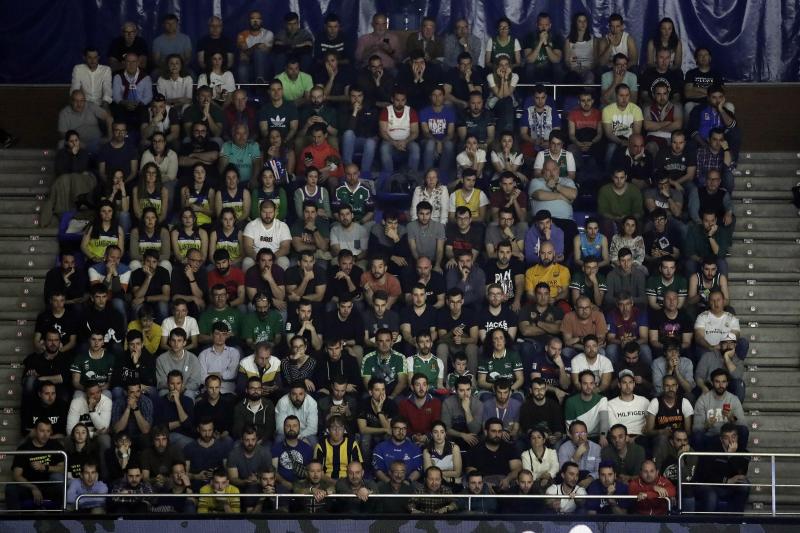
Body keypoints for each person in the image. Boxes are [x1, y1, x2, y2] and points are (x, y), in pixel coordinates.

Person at [5, 418, 65, 510]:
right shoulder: (24, 448)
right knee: (10, 489)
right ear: (35, 431)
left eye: (48, 431)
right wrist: (33, 488)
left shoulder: (55, 445)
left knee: (61, 484)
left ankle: (59, 515)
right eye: (42, 431)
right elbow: (16, 475)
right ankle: (16, 518)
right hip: (29, 486)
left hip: (48, 486)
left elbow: (63, 468)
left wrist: (44, 467)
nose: (45, 435)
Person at [695, 423, 750, 513]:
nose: (731, 441)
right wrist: (726, 481)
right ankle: (707, 521)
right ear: (721, 439)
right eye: (726, 438)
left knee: (744, 484)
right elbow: (705, 475)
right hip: (713, 486)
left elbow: (741, 473)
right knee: (711, 495)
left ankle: (736, 519)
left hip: (731, 487)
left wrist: (731, 456)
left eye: (733, 436)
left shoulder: (744, 452)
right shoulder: (711, 450)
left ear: (738, 437)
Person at [464, 418, 521, 490]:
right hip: (483, 486)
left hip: (506, 483)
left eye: (499, 431)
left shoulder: (510, 448)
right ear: (486, 432)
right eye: (493, 431)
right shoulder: (475, 450)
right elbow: (471, 472)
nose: (497, 435)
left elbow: (517, 469)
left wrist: (508, 479)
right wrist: (484, 484)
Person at [372, 416, 423, 484]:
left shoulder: (415, 449)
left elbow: (418, 470)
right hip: (385, 484)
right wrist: (390, 483)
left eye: (404, 428)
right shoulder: (380, 448)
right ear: (391, 429)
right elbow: (377, 470)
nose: (401, 431)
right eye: (397, 428)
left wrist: (408, 481)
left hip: (409, 484)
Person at [227, 425, 273, 498]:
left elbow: (270, 476)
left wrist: (258, 481)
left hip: (261, 487)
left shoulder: (265, 453)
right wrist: (245, 481)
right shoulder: (233, 454)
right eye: (247, 440)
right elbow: (233, 479)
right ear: (242, 440)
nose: (250, 443)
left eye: (253, 439)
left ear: (257, 439)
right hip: (240, 489)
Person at [111, 53, 153, 133]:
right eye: (128, 62)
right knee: (117, 108)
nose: (131, 65)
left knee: (145, 109)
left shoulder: (146, 77)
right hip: (123, 104)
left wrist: (138, 103)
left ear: (138, 63)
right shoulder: (118, 77)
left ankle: (144, 136)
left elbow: (148, 96)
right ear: (124, 63)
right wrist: (125, 103)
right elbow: (116, 96)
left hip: (139, 105)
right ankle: (121, 134)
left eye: (134, 62)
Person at [271, 416, 314, 490]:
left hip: (302, 487)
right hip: (282, 486)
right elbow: (274, 471)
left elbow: (310, 472)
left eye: (294, 426)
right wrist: (284, 482)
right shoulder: (276, 448)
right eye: (288, 426)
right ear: (284, 428)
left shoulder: (307, 448)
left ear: (299, 428)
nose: (291, 428)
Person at [564, 371, 608, 440]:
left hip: (597, 437)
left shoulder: (602, 399)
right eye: (585, 383)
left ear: (594, 384)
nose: (588, 387)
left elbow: (604, 421)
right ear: (580, 384)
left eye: (591, 383)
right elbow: (570, 427)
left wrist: (603, 436)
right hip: (578, 438)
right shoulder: (571, 401)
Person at [519, 377, 565, 443]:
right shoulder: (526, 406)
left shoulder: (554, 405)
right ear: (531, 390)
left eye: (542, 389)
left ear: (546, 389)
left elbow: (558, 428)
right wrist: (542, 436)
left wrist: (556, 437)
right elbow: (527, 429)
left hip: (551, 438)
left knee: (557, 444)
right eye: (536, 389)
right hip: (532, 438)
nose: (539, 392)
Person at [557, 420, 602, 489]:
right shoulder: (564, 448)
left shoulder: (596, 448)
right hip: (571, 480)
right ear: (571, 436)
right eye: (577, 433)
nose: (581, 436)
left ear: (587, 434)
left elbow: (599, 471)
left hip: (591, 481)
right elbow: (562, 472)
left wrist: (589, 479)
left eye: (583, 433)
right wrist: (575, 457)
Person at [522, 12, 564, 83]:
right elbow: (530, 60)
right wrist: (540, 42)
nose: (544, 28)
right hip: (535, 67)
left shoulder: (556, 37)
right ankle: (530, 90)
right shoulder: (530, 37)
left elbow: (556, 60)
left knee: (558, 67)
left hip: (550, 68)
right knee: (529, 67)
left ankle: (556, 90)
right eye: (541, 25)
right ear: (537, 25)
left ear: (550, 25)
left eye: (546, 25)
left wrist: (546, 44)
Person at [275, 382, 319, 448]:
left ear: (305, 394)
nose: (297, 398)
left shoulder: (312, 403)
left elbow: (313, 428)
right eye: (294, 394)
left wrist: (299, 437)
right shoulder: (282, 402)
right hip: (287, 432)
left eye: (301, 394)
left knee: (314, 442)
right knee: (279, 439)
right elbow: (280, 427)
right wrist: (292, 437)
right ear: (289, 394)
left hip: (305, 433)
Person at [232, 378, 276, 442]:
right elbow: (238, 428)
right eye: (252, 388)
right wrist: (247, 441)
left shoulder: (268, 405)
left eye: (258, 388)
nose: (256, 391)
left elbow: (270, 428)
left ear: (262, 390)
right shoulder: (240, 406)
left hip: (263, 440)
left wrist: (261, 440)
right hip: (244, 440)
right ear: (246, 390)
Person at [236, 10, 274, 84]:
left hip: (265, 64)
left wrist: (251, 51)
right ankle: (245, 90)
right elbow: (245, 52)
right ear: (249, 21)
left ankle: (260, 81)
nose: (255, 21)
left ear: (261, 21)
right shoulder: (242, 35)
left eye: (258, 19)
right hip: (248, 63)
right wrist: (256, 46)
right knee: (242, 67)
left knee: (259, 53)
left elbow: (267, 51)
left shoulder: (268, 33)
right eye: (252, 18)